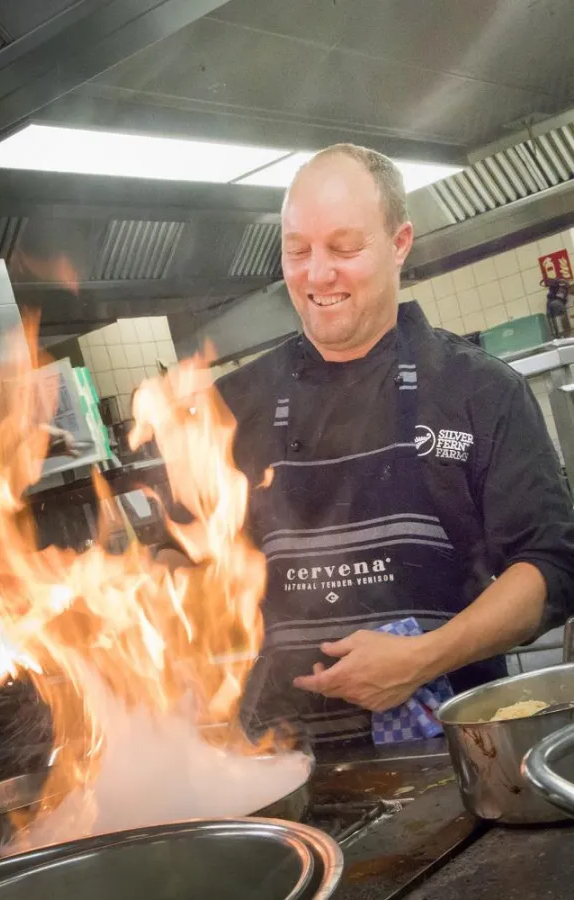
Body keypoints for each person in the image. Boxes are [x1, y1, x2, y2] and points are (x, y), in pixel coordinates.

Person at [211, 143, 574, 750]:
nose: (317, 274)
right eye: (297, 250)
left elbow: (552, 568)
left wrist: (422, 657)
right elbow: (180, 567)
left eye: (344, 248)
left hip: (455, 759)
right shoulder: (232, 405)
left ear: (400, 242)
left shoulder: (479, 391)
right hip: (278, 768)